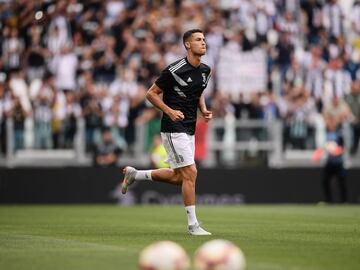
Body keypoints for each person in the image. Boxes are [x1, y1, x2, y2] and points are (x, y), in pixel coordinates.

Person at [120, 29, 212, 235]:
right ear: (187, 45)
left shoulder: (206, 70)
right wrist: (169, 112)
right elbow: (151, 94)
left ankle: (136, 174)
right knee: (191, 173)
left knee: (180, 177)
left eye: (204, 39)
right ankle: (193, 225)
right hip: (173, 127)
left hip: (189, 128)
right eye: (198, 40)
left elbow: (198, 92)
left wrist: (203, 110)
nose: (203, 43)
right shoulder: (174, 69)